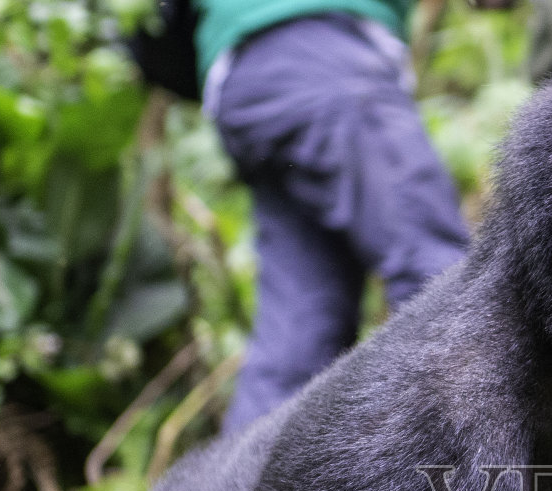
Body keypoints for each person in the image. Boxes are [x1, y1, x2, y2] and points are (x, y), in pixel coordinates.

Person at [189, 0, 472, 431]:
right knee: (440, 277)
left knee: (297, 348)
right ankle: (499, 481)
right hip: (323, 54)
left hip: (241, 78)